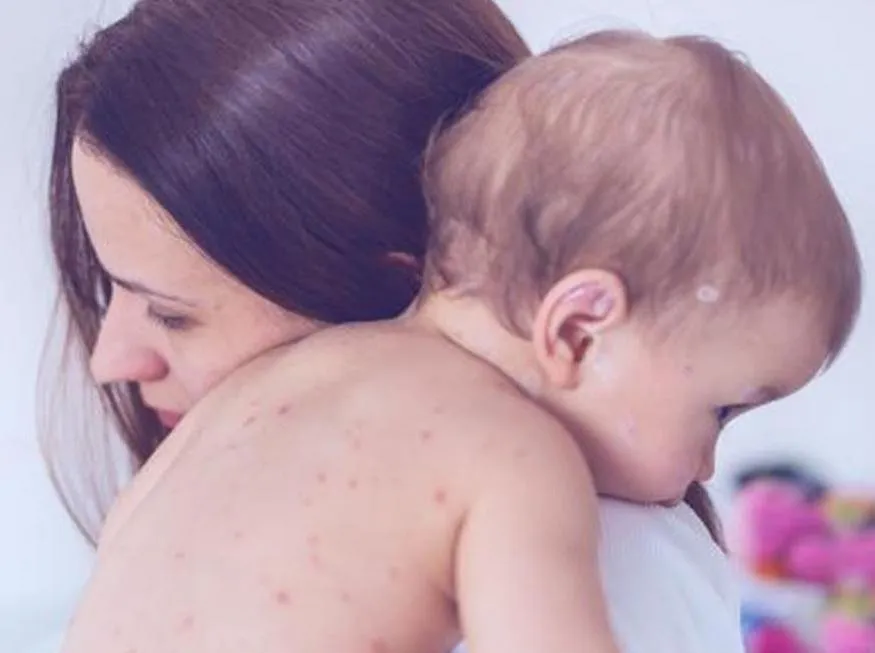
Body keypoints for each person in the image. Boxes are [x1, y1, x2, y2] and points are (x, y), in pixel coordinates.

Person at [45, 2, 859, 653]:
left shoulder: (230, 417)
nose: (707, 463)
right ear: (576, 329)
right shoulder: (511, 458)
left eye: (170, 311)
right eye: (719, 410)